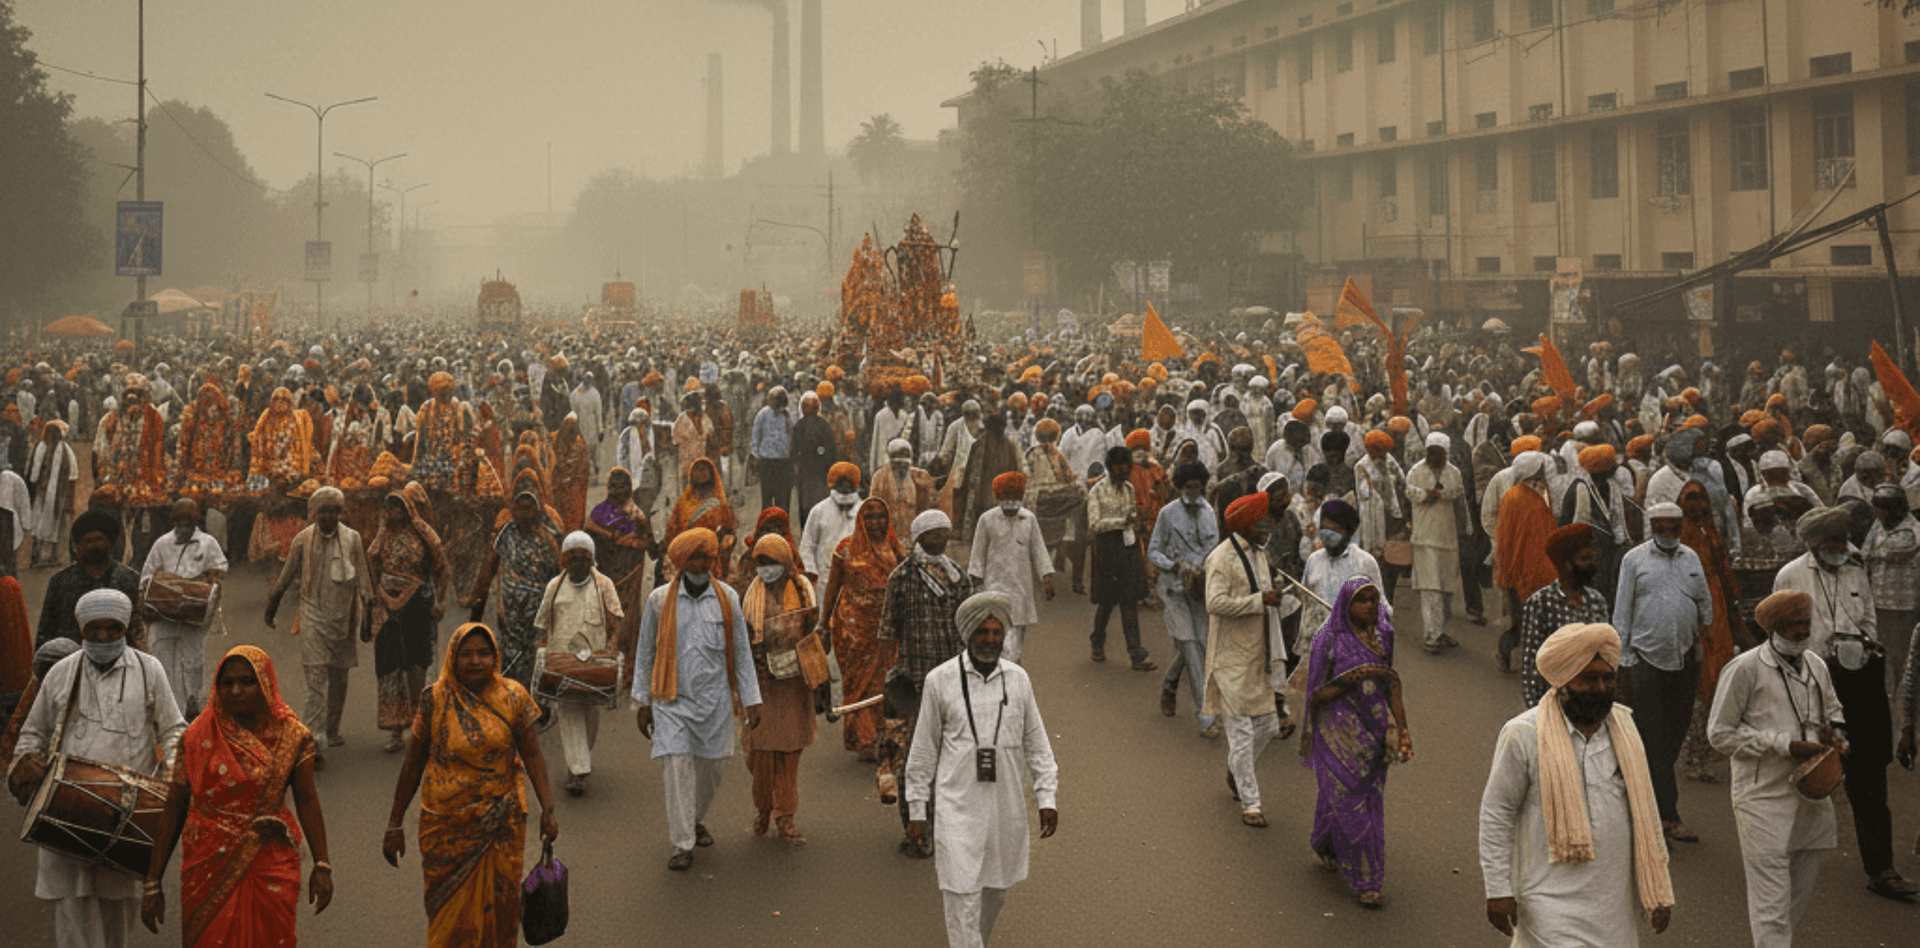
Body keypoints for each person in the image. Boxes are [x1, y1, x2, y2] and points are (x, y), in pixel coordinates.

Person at [9, 589, 186, 948]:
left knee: (116, 920)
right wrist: (26, 764)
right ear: (82, 630)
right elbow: (31, 736)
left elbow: (174, 731)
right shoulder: (60, 673)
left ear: (127, 628)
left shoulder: (148, 670)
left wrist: (169, 783)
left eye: (113, 629)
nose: (104, 637)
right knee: (72, 920)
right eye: (94, 630)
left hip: (126, 820)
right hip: (65, 816)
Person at [1479, 623, 1676, 946]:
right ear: (1563, 680)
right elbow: (1497, 814)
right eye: (1588, 678)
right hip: (1547, 899)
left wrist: (1659, 886)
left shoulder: (1625, 730)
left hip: (1613, 905)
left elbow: (1646, 810)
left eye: (1607, 678)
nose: (1600, 687)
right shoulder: (1523, 734)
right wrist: (1497, 889)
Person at [141, 646, 333, 947]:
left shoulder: (293, 736)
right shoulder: (196, 737)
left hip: (269, 857)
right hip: (207, 859)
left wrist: (322, 864)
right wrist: (153, 882)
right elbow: (175, 806)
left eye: (247, 681)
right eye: (226, 683)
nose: (236, 691)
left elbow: (307, 799)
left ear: (265, 684)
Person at [382, 623, 559, 947]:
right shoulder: (434, 699)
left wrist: (548, 809)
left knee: (501, 912)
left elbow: (532, 753)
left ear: (495, 656)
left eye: (483, 653)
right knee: (450, 921)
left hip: (501, 825)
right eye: (466, 654)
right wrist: (394, 823)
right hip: (446, 828)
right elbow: (412, 765)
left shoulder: (513, 697)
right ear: (452, 658)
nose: (475, 661)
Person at [1773, 505, 1917, 900]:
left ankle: (1881, 869)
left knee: (1870, 776)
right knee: (1810, 776)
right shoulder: (1791, 575)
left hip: (1861, 685)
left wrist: (1865, 647)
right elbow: (1781, 637)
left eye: (1844, 541)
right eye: (1832, 543)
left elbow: (1869, 618)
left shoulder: (1857, 569)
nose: (1841, 548)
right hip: (1814, 687)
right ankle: (1780, 863)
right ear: (1814, 544)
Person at [903, 591, 1059, 948]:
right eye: (982, 633)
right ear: (968, 634)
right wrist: (916, 807)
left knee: (995, 894)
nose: (990, 640)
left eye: (996, 633)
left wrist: (1046, 797)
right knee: (961, 896)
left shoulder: (1018, 679)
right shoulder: (939, 681)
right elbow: (923, 749)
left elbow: (1037, 743)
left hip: (1004, 809)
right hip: (956, 808)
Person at [1709, 590, 1848, 945]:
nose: (1801, 632)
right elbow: (1719, 734)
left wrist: (1838, 737)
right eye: (1791, 626)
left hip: (1813, 794)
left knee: (1793, 898)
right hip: (1762, 797)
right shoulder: (1744, 668)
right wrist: (1785, 745)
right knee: (1770, 904)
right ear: (1772, 628)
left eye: (1805, 624)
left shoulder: (1816, 665)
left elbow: (1833, 711)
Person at [632, 528, 763, 871]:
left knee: (712, 768)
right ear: (680, 561)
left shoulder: (728, 598)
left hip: (714, 699)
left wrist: (752, 700)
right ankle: (682, 843)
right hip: (670, 700)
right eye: (694, 557)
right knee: (677, 767)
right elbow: (645, 651)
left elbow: (742, 654)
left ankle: (694, 817)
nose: (701, 563)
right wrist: (643, 701)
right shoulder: (659, 600)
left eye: (706, 556)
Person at [1300, 577, 1410, 907]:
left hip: (1373, 732)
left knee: (1367, 799)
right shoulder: (1328, 640)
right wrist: (1350, 679)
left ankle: (1324, 841)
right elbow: (1315, 695)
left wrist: (1402, 730)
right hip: (1337, 731)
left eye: (1374, 599)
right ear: (1347, 604)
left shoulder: (1384, 635)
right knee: (1348, 799)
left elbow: (1392, 682)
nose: (1369, 606)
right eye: (1362, 600)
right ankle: (1367, 880)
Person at [1613, 499, 1711, 843]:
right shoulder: (1633, 560)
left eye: (1674, 527)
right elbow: (1621, 612)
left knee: (1674, 736)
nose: (1668, 534)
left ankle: (1646, 799)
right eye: (1661, 528)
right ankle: (1667, 815)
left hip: (1685, 660)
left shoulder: (1691, 558)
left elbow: (1703, 601)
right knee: (1653, 739)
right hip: (1645, 662)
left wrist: (1703, 635)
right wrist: (1623, 662)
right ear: (1651, 528)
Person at [881, 510, 977, 854]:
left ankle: (942, 828)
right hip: (912, 684)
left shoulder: (959, 579)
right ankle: (915, 830)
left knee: (951, 761)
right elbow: (887, 633)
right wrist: (886, 683)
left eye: (943, 535)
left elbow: (971, 633)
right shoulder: (902, 577)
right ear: (918, 537)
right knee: (912, 762)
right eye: (931, 535)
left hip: (952, 684)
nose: (938, 541)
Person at [265, 487, 373, 769]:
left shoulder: (352, 539)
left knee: (339, 675)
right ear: (314, 513)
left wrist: (367, 620)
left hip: (344, 618)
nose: (328, 517)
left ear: (340, 513)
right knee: (316, 678)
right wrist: (272, 606)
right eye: (323, 512)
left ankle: (332, 728)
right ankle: (313, 743)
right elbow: (286, 575)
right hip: (312, 614)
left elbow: (364, 580)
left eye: (333, 511)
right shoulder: (302, 539)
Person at [1206, 492, 1291, 826]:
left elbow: (1264, 593)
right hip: (1230, 656)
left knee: (1269, 725)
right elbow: (1214, 603)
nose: (1267, 527)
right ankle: (1250, 803)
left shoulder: (1261, 554)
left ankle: (1235, 770)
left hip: (1259, 653)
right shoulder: (1221, 558)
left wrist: (1277, 592)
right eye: (1261, 522)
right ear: (1245, 525)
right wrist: (1259, 601)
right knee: (1241, 732)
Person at [740, 534, 819, 843]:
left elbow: (813, 633)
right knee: (761, 755)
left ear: (786, 562)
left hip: (796, 685)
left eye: (772, 563)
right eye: (761, 563)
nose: (767, 569)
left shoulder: (803, 590)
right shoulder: (750, 597)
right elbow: (744, 644)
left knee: (789, 753)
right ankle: (764, 807)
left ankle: (785, 817)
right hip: (762, 685)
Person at [534, 532, 623, 796]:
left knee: (590, 713)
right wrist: (543, 654)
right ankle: (577, 771)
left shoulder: (604, 584)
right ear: (564, 560)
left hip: (594, 661)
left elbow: (616, 619)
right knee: (569, 711)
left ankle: (581, 758)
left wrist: (613, 649)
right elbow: (543, 624)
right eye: (571, 558)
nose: (577, 563)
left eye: (583, 558)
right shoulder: (554, 586)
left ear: (591, 559)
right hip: (562, 661)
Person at [820, 497, 902, 760]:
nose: (876, 521)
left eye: (880, 515)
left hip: (886, 630)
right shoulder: (845, 549)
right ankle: (863, 739)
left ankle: (882, 734)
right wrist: (823, 624)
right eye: (870, 516)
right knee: (858, 684)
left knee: (882, 682)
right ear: (860, 520)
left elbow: (905, 583)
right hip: (852, 630)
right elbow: (832, 588)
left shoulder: (894, 547)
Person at [464, 487, 563, 689]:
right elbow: (488, 569)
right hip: (510, 613)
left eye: (529, 508)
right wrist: (475, 616)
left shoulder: (548, 535)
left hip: (540, 613)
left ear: (537, 509)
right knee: (510, 658)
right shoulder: (506, 534)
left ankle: (536, 706)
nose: (524, 513)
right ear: (513, 511)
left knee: (537, 658)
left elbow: (560, 573)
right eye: (519, 508)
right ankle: (511, 704)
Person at [137, 498, 227, 719]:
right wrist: (167, 588)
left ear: (197, 519)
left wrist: (202, 583)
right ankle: (165, 708)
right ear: (173, 520)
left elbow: (221, 567)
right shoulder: (161, 543)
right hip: (163, 613)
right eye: (180, 519)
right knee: (162, 659)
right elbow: (147, 575)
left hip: (193, 614)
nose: (184, 523)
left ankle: (192, 704)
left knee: (192, 662)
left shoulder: (208, 543)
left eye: (189, 519)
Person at [1150, 461, 1220, 734]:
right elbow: (1153, 551)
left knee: (1201, 643)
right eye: (1188, 486)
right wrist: (1174, 565)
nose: (1193, 491)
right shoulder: (1167, 514)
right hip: (1173, 588)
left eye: (1197, 486)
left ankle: (1169, 684)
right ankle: (1206, 717)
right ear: (1180, 487)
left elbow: (1213, 550)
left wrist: (1203, 570)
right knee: (1191, 648)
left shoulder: (1209, 512)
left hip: (1200, 588)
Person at [1519, 525, 1613, 708]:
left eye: (1591, 558)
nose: (1592, 566)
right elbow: (1532, 665)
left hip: (1590, 703)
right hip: (1555, 702)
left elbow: (1605, 656)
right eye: (1584, 559)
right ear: (1567, 565)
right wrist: (1537, 712)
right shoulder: (1540, 603)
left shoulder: (1597, 601)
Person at [967, 471, 1055, 664]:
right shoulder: (987, 520)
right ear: (998, 497)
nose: (1011, 502)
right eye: (1006, 497)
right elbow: (978, 551)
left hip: (1020, 589)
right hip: (993, 586)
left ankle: (1011, 665)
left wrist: (1046, 576)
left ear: (1021, 497)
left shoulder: (1029, 519)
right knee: (997, 629)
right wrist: (976, 578)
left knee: (1017, 634)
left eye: (1015, 497)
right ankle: (1005, 665)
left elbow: (1038, 549)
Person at [36, 509, 146, 651]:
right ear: (77, 547)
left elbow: (137, 630)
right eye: (87, 541)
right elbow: (46, 631)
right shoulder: (60, 581)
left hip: (118, 659)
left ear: (111, 544)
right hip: (70, 661)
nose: (93, 545)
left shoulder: (129, 579)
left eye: (99, 539)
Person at [1087, 446, 1155, 670]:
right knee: (1106, 602)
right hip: (1107, 548)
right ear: (1110, 468)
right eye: (1118, 469)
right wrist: (1121, 521)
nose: (1122, 474)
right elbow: (1095, 524)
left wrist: (1135, 522)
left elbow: (1132, 517)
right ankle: (1097, 641)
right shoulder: (1097, 491)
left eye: (1126, 470)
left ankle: (1136, 654)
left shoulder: (1129, 488)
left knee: (1129, 602)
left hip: (1128, 548)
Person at [1495, 452, 1559, 672]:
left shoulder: (1545, 493)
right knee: (1522, 621)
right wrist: (1505, 570)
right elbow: (1504, 538)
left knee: (1538, 620)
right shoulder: (1513, 497)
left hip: (1545, 569)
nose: (1543, 475)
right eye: (1539, 471)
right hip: (1521, 569)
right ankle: (1512, 653)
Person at [1298, 498, 1383, 650]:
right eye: (1324, 529)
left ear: (1349, 532)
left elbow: (1381, 607)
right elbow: (1307, 604)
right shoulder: (1313, 560)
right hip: (1317, 647)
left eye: (1335, 530)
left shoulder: (1365, 563)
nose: (1328, 536)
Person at [1406, 432, 1463, 653]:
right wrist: (1424, 494)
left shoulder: (1453, 472)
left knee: (1447, 588)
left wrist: (1440, 493)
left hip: (1447, 538)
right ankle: (1431, 636)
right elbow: (1409, 491)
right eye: (1432, 452)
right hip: (1424, 539)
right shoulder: (1416, 471)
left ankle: (1439, 630)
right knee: (1431, 590)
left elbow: (1456, 491)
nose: (1435, 456)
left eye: (1440, 453)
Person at [660, 456, 738, 586]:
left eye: (704, 470)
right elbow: (672, 529)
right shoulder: (683, 503)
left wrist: (726, 539)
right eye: (698, 470)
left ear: (711, 474)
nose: (701, 474)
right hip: (686, 558)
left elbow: (730, 529)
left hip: (710, 559)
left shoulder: (721, 506)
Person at [25, 420, 77, 568]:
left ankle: (35, 557)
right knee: (55, 524)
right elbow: (74, 473)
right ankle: (51, 557)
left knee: (38, 524)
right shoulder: (66, 449)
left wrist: (35, 485)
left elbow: (33, 474)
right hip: (59, 494)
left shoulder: (41, 446)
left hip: (42, 493)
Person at [800, 462, 862, 578]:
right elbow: (807, 547)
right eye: (841, 484)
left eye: (849, 484)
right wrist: (812, 575)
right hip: (824, 579)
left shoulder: (864, 511)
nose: (845, 487)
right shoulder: (818, 511)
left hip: (857, 578)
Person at [872, 438, 935, 543]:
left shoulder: (919, 477)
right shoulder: (879, 478)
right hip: (887, 535)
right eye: (897, 456)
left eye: (905, 456)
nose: (901, 463)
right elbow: (873, 507)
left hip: (911, 533)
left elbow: (926, 506)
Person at [752, 387, 795, 515]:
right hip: (766, 462)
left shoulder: (787, 416)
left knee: (782, 500)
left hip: (783, 463)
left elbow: (791, 436)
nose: (779, 409)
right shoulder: (762, 414)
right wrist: (756, 457)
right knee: (767, 499)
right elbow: (755, 437)